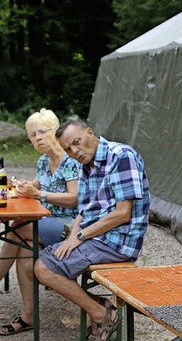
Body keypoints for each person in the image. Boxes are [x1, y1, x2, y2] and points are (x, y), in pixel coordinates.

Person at [33, 117, 150, 341]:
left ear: (90, 132)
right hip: (97, 237)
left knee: (43, 267)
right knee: (41, 256)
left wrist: (79, 236)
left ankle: (102, 314)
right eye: (68, 149)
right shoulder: (85, 164)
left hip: (117, 241)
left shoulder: (121, 156)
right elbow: (84, 211)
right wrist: (72, 237)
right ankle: (100, 306)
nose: (75, 150)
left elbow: (122, 213)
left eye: (77, 142)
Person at [0, 109, 80, 336]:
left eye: (42, 132)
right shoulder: (44, 160)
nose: (38, 138)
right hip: (46, 221)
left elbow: (74, 197)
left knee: (16, 228)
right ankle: (29, 317)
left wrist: (39, 195)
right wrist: (22, 187)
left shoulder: (70, 161)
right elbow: (35, 185)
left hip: (70, 225)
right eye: (33, 135)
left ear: (56, 131)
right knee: (25, 256)